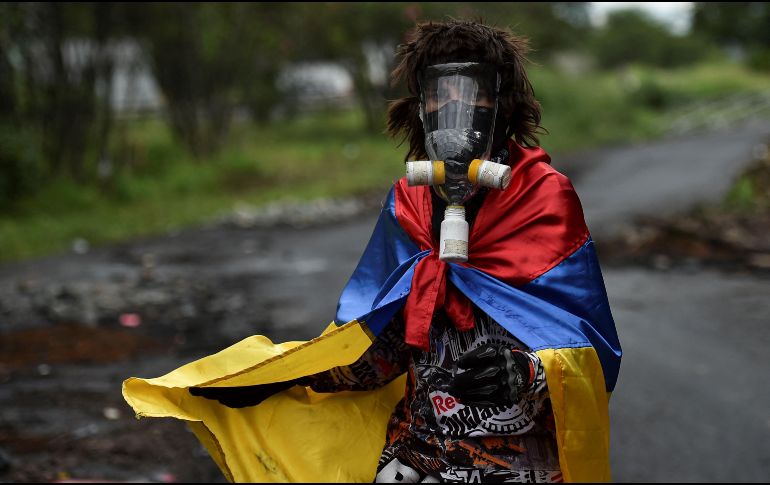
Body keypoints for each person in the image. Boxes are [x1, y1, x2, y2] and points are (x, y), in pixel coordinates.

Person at [124, 19, 621, 484]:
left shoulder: (543, 197)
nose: (454, 107)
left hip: (515, 464)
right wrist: (278, 380)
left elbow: (591, 352)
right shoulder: (409, 200)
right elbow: (383, 342)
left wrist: (525, 373)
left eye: (472, 92)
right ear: (418, 105)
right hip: (418, 456)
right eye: (438, 92)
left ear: (503, 103)